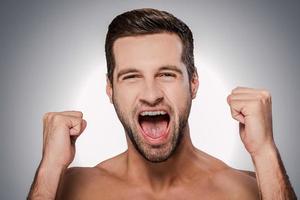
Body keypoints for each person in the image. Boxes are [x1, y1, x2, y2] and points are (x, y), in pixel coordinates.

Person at [28, 8, 296, 200]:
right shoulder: (69, 189)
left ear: (193, 83)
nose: (151, 93)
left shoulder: (246, 191)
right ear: (110, 89)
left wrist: (265, 152)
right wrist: (50, 167)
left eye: (166, 74)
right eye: (131, 76)